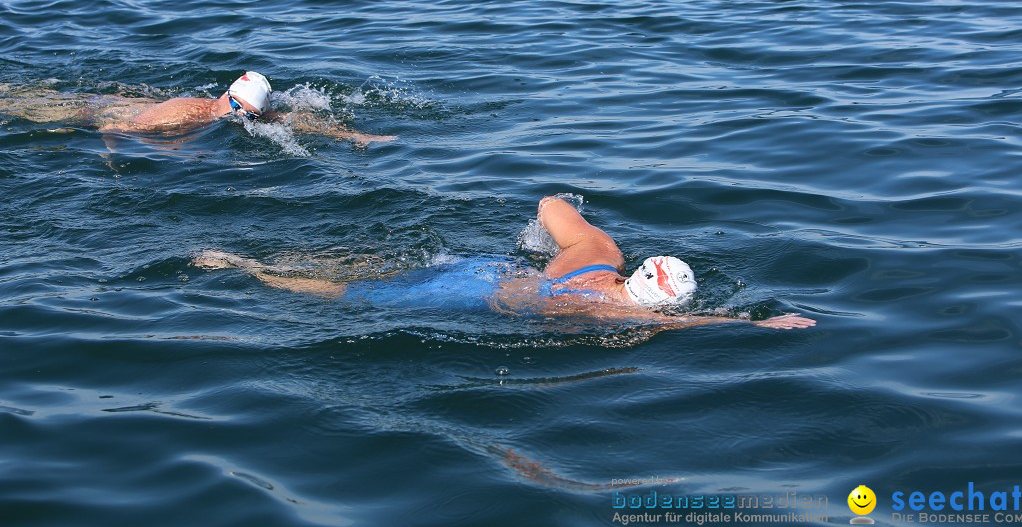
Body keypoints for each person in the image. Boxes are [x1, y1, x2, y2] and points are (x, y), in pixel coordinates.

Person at [193, 196, 816, 331]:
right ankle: (247, 269)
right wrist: (751, 324)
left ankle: (264, 260)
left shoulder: (603, 254)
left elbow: (549, 204)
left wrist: (553, 238)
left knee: (365, 273)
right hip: (463, 298)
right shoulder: (603, 311)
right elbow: (684, 325)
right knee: (345, 299)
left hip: (483, 266)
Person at [0, 71, 395, 144]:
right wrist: (114, 155)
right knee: (23, 107)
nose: (247, 122)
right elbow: (116, 129)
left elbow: (297, 119)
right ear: (231, 103)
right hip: (100, 113)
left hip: (134, 108)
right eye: (244, 115)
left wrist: (354, 135)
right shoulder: (184, 114)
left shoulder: (239, 112)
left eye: (252, 118)